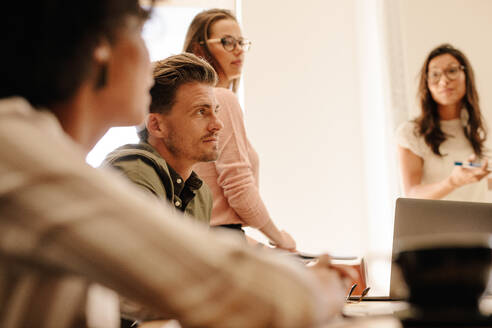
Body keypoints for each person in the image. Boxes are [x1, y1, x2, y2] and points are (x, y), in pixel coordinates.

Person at [0, 1, 355, 327]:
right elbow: (242, 294)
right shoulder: (17, 151)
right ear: (99, 48)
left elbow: (147, 288)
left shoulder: (38, 151)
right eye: (139, 34)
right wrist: (318, 284)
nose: (149, 59)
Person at [184, 9, 296, 250]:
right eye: (227, 42)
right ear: (199, 49)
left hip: (206, 241)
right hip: (221, 241)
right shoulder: (221, 100)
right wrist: (279, 239)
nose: (238, 49)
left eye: (241, 42)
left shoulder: (192, 108)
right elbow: (238, 186)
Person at [102, 53, 223, 224]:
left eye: (216, 111)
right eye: (201, 112)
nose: (217, 124)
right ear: (156, 126)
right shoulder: (132, 174)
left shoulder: (201, 194)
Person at [396, 43, 490, 201]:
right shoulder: (411, 133)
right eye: (435, 74)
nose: (444, 80)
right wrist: (452, 182)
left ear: (466, 76)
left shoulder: (479, 130)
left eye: (452, 71)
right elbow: (411, 194)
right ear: (426, 83)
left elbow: (485, 185)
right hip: (435, 224)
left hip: (477, 223)